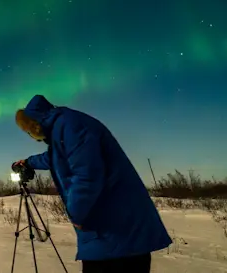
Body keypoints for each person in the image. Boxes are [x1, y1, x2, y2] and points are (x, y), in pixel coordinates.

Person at [12, 95, 171, 273]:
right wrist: (28, 162)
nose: (31, 136)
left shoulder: (71, 127)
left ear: (34, 124)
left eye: (28, 131)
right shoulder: (63, 129)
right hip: (109, 231)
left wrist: (77, 214)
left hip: (116, 230)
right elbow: (56, 158)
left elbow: (87, 174)